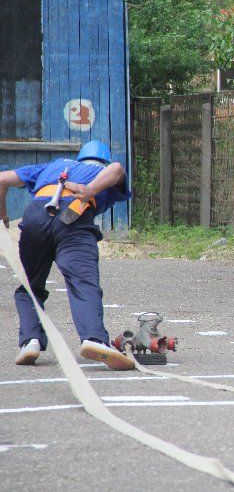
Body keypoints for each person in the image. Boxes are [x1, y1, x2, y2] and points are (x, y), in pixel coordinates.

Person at [0, 140, 134, 370]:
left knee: (30, 285)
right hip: (74, 215)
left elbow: (2, 179)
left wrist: (2, 215)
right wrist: (90, 190)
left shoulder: (53, 165)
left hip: (36, 216)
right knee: (83, 282)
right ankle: (94, 339)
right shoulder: (102, 170)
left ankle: (29, 342)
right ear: (104, 159)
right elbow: (118, 170)